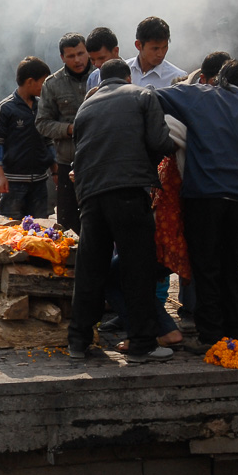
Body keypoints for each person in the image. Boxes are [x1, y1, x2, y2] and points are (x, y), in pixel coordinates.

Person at [68, 58, 176, 362]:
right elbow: (160, 141)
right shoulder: (142, 95)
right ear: (129, 77)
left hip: (90, 196)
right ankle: (142, 344)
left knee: (90, 269)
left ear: (101, 79)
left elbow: (80, 152)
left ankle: (78, 341)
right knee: (137, 268)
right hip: (129, 193)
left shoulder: (86, 107)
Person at [155, 60, 238, 348]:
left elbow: (155, 95)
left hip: (204, 198)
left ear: (220, 79)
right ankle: (236, 333)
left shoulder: (198, 94)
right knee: (233, 266)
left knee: (206, 267)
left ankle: (210, 335)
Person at [35, 32, 91, 232]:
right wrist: (69, 129)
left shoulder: (101, 76)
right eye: (71, 56)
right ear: (62, 58)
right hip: (68, 162)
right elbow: (42, 123)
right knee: (69, 226)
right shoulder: (52, 84)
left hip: (98, 163)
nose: (77, 60)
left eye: (81, 53)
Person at [0, 57, 54, 219]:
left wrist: (55, 171)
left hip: (39, 181)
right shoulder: (5, 108)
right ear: (30, 81)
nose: (45, 88)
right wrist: (1, 176)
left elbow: (48, 141)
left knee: (39, 229)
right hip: (13, 182)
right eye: (43, 82)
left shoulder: (42, 106)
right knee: (12, 228)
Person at [87, 17, 187, 90]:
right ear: (138, 45)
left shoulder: (178, 78)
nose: (160, 54)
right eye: (155, 48)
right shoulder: (117, 72)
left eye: (164, 47)